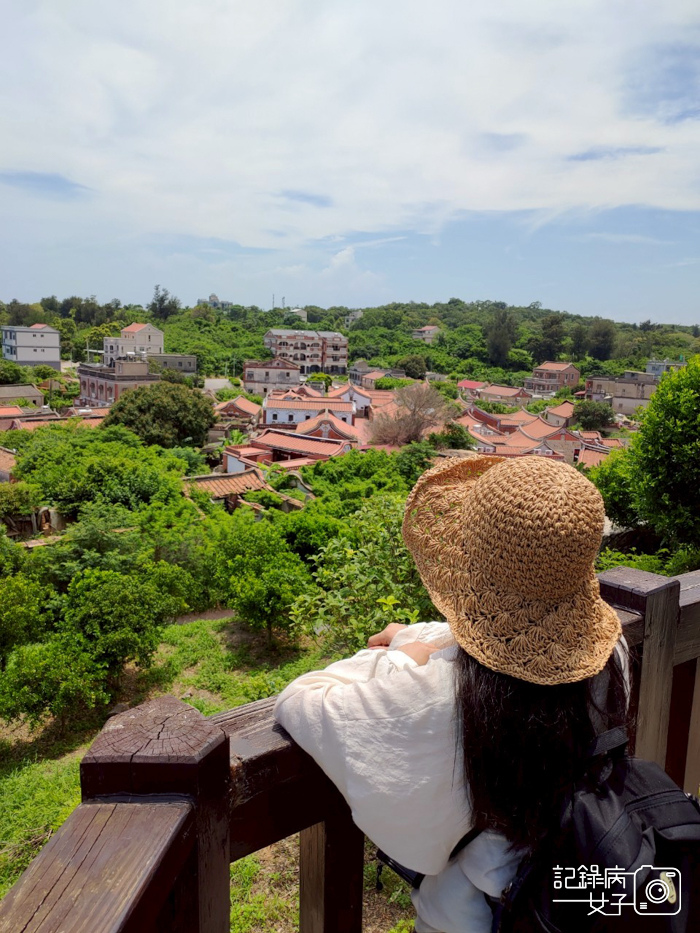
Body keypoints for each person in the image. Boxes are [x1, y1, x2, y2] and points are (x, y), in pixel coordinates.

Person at [275, 455, 630, 932]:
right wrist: (423, 637)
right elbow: (511, 648)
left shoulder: (433, 695)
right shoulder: (612, 655)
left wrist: (402, 658)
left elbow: (301, 701)